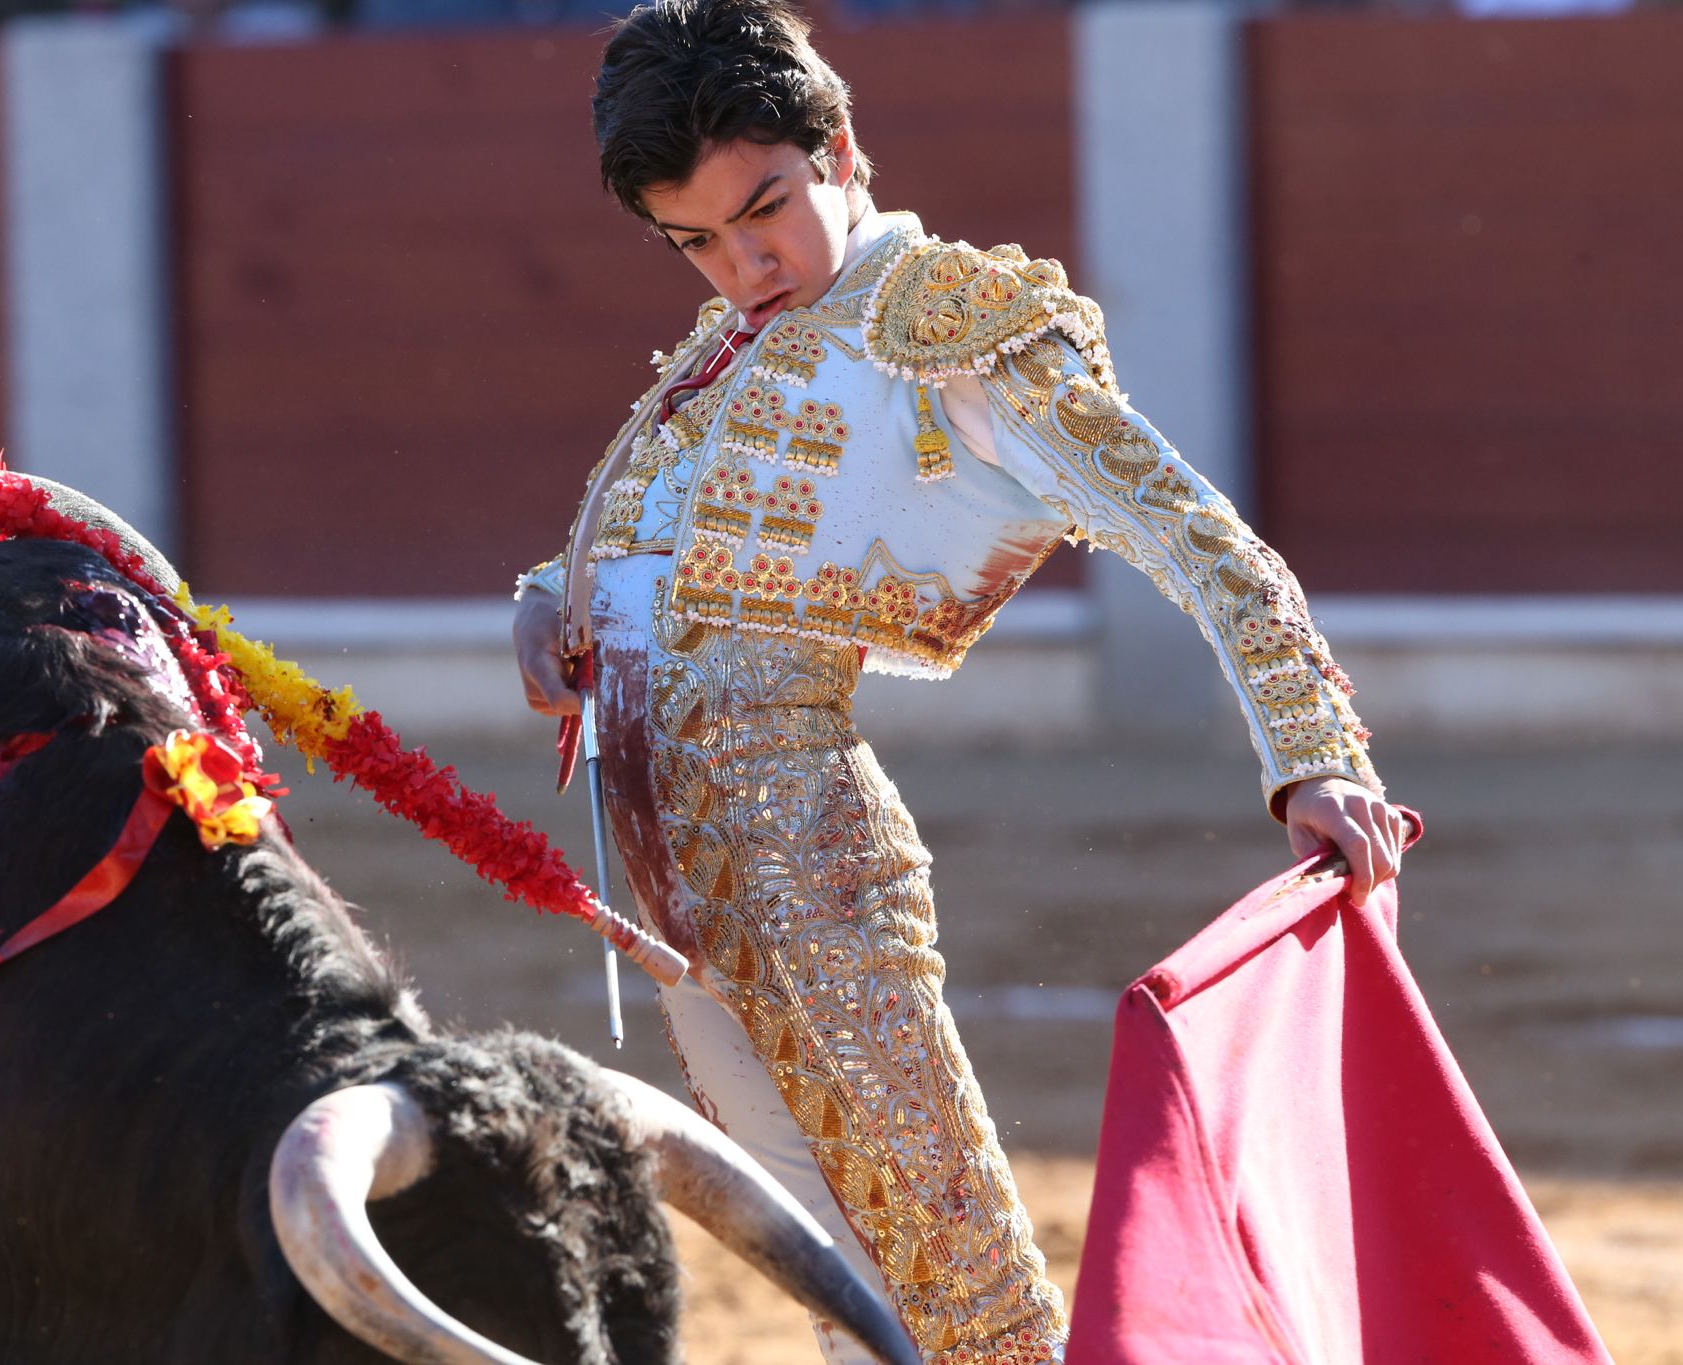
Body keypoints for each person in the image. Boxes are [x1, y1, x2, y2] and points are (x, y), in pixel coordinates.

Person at [511, 2, 1408, 1359]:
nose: (745, 264)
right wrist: (544, 608)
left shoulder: (944, 321)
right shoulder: (718, 348)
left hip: (807, 868)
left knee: (952, 1277)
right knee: (833, 1267)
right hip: (673, 884)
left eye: (767, 210)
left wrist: (1312, 744)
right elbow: (635, 554)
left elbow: (1197, 531)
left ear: (843, 148)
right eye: (697, 241)